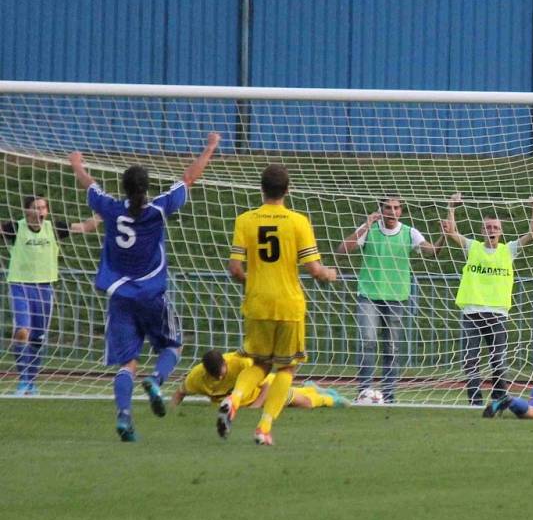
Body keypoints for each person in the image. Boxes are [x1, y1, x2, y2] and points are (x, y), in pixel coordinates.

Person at [69, 132, 220, 441]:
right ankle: (156, 378)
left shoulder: (110, 210)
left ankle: (124, 416)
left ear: (123, 187)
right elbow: (188, 178)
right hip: (152, 295)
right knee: (173, 346)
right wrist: (209, 148)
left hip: (120, 298)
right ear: (147, 187)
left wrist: (77, 165)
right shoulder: (158, 210)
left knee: (127, 363)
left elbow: (90, 185)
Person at [219, 163, 337, 446]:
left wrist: (255, 283)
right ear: (287, 189)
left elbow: (235, 268)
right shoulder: (298, 221)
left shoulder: (245, 220)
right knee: (286, 369)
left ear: (262, 189)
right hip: (288, 305)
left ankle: (234, 399)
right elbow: (314, 270)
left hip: (257, 304)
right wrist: (330, 274)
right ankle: (264, 427)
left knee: (258, 362)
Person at [335, 196, 444, 403]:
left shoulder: (409, 232)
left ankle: (389, 395)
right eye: (388, 207)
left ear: (401, 211)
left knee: (391, 347)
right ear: (381, 209)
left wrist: (443, 237)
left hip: (396, 297)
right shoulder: (369, 229)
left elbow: (432, 252)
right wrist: (365, 226)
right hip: (368, 295)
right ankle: (364, 392)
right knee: (368, 341)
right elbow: (341, 251)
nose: (392, 211)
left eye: (396, 207)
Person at [441, 192, 533, 406]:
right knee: (470, 359)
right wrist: (451, 207)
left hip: (497, 313)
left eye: (495, 227)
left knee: (498, 360)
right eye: (488, 227)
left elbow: (532, 234)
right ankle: (474, 400)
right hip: (471, 312)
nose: (491, 230)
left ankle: (499, 398)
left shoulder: (509, 250)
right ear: (482, 231)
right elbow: (452, 233)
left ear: (501, 231)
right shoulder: (473, 247)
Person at [2, 197, 101, 395]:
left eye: (42, 208)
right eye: (35, 208)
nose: (39, 211)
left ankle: (31, 381)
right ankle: (22, 382)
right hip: (20, 286)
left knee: (38, 338)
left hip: (45, 288)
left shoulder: (53, 228)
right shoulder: (16, 228)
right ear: (26, 211)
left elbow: (83, 227)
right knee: (23, 331)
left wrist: (101, 215)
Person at [171, 349, 349, 409]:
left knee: (305, 404)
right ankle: (312, 388)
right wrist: (170, 410)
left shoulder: (241, 363)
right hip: (248, 399)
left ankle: (331, 399)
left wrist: (256, 406)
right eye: (215, 376)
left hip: (264, 390)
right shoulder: (196, 377)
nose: (219, 377)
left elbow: (264, 386)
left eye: (222, 373)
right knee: (297, 398)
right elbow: (179, 393)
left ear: (225, 362)